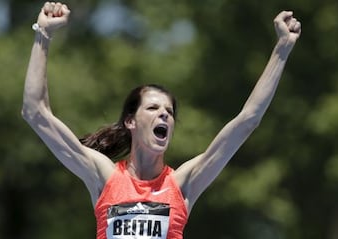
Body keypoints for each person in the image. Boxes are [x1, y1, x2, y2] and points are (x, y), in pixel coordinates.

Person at [22, 2, 301, 239]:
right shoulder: (103, 177)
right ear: (131, 122)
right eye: (153, 107)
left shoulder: (183, 183)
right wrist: (43, 35)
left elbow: (247, 120)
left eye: (169, 110)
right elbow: (35, 112)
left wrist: (283, 49)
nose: (164, 114)